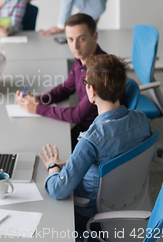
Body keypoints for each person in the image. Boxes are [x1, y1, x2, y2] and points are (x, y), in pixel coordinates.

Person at [37, 54, 152, 238]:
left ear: (91, 92)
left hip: (91, 213)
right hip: (130, 198)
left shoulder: (92, 139)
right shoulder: (142, 119)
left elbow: (59, 190)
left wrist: (53, 168)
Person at [17, 14, 119, 149]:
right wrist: (37, 99)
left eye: (81, 39)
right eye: (70, 39)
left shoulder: (99, 72)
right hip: (84, 125)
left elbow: (76, 115)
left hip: (96, 135)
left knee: (41, 143)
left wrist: (38, 108)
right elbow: (66, 89)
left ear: (94, 36)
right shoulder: (81, 59)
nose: (75, 46)